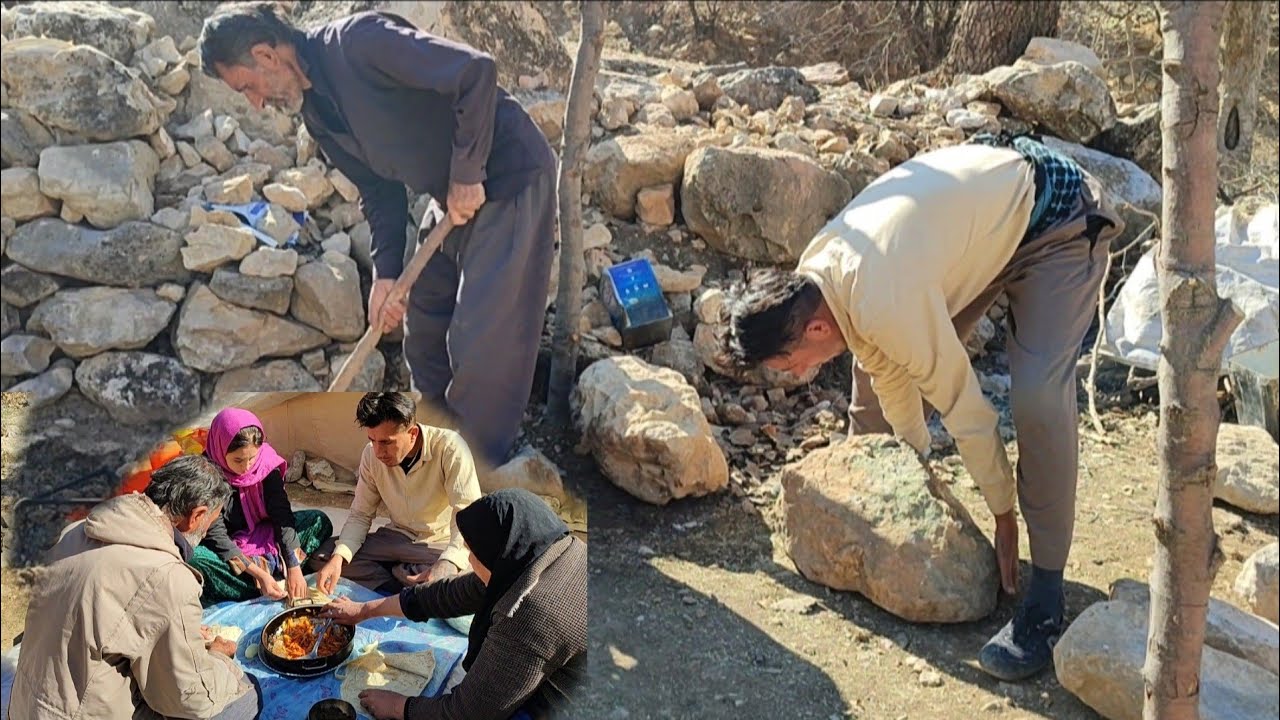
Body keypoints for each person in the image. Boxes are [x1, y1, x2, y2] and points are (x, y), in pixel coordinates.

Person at [719, 134, 1124, 681]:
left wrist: (1003, 512)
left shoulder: (880, 292)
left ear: (813, 327)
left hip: (1058, 220)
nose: (795, 377)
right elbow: (885, 365)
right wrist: (913, 473)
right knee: (873, 361)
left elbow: (962, 402)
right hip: (979, 230)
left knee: (1037, 398)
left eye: (790, 363)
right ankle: (864, 516)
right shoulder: (819, 269)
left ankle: (1044, 602)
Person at [198, 2, 557, 468]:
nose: (256, 102)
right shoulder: (318, 116)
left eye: (247, 86)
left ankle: (476, 474)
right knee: (424, 324)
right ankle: (438, 447)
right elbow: (378, 189)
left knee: (483, 339)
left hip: (507, 174)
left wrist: (468, 173)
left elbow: (475, 72)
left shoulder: (359, 43)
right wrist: (386, 274)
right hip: (449, 195)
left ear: (266, 55)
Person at [8, 454, 262, 720]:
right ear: (196, 516)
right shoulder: (167, 576)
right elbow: (190, 699)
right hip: (80, 712)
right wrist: (221, 658)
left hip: (28, 706)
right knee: (246, 696)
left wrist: (173, 629)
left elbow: (108, 618)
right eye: (211, 522)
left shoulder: (75, 531)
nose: (209, 530)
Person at [319, 488, 587, 720]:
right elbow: (449, 595)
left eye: (474, 553)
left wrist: (400, 706)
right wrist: (364, 610)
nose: (468, 561)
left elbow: (468, 714)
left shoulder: (526, 614)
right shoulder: (555, 549)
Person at [311, 392, 483, 595]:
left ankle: (405, 578)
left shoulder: (450, 448)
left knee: (465, 578)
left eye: (386, 442)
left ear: (413, 434)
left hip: (435, 543)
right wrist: (339, 558)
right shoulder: (371, 455)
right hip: (395, 538)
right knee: (323, 557)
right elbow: (361, 515)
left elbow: (467, 515)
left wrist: (448, 562)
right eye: (372, 440)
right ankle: (402, 583)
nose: (377, 451)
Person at [189, 407, 334, 605]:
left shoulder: (266, 465)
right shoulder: (208, 475)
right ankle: (264, 579)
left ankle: (268, 576)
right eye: (238, 460)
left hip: (269, 538)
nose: (247, 467)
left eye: (252, 458)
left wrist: (293, 565)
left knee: (319, 520)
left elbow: (282, 516)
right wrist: (257, 573)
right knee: (196, 559)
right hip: (232, 547)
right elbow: (217, 534)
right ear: (220, 450)